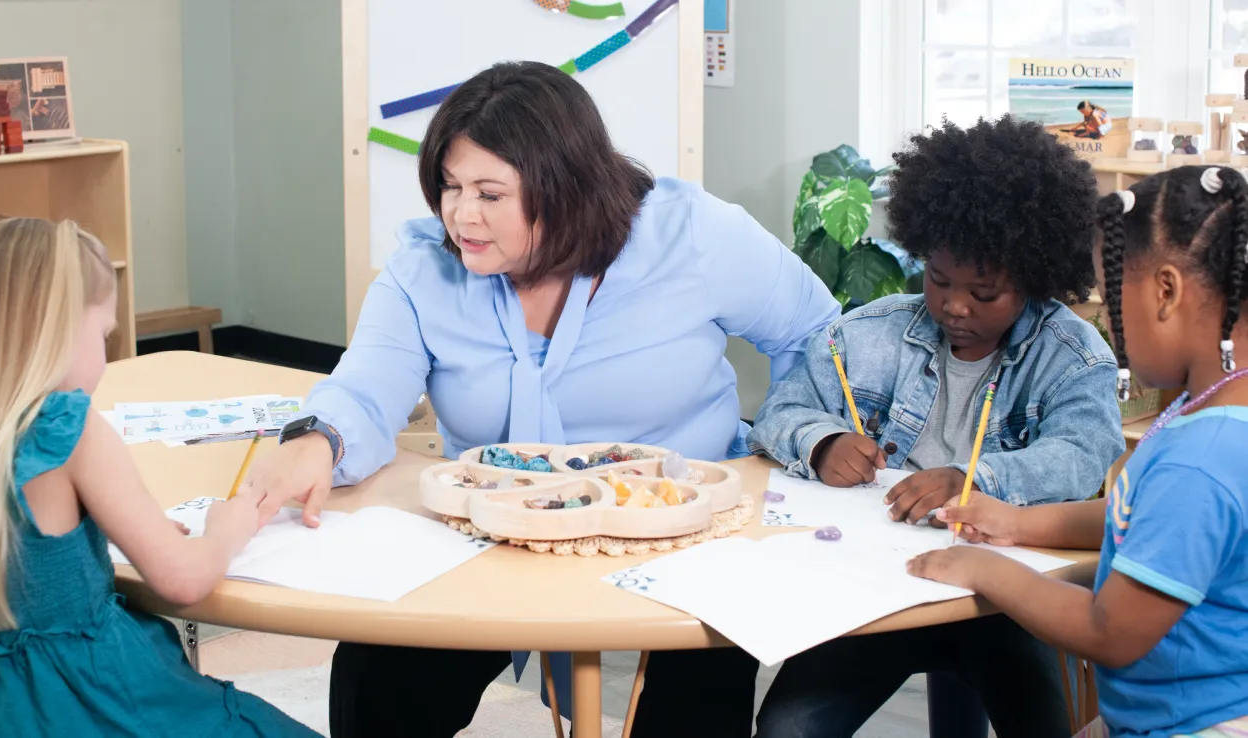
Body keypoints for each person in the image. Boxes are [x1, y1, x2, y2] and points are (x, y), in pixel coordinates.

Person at [242, 61, 841, 737]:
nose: (460, 214)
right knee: (379, 673)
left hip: (682, 534)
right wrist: (315, 443)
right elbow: (365, 390)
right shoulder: (423, 271)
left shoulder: (693, 235)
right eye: (449, 185)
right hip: (490, 530)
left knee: (696, 697)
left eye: (489, 194)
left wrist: (793, 447)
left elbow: (818, 336)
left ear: (563, 189)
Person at [738, 115, 1126, 738]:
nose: (954, 305)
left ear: (1034, 278)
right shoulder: (866, 333)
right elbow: (779, 414)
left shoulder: (1073, 355)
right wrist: (822, 441)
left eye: (985, 292)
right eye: (939, 280)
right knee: (788, 727)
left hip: (1003, 601)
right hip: (876, 590)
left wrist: (975, 480)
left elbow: (1081, 458)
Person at [0, 218, 317, 737]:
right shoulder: (69, 430)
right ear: (53, 330)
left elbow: (35, 568)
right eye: (102, 335)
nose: (107, 359)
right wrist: (230, 527)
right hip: (101, 704)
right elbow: (182, 580)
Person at [909, 164, 1248, 738]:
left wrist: (986, 569)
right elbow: (1143, 519)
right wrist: (1019, 523)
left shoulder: (1203, 457)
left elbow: (1110, 633)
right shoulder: (1213, 412)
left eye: (1115, 299)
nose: (1114, 328)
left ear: (1166, 291)